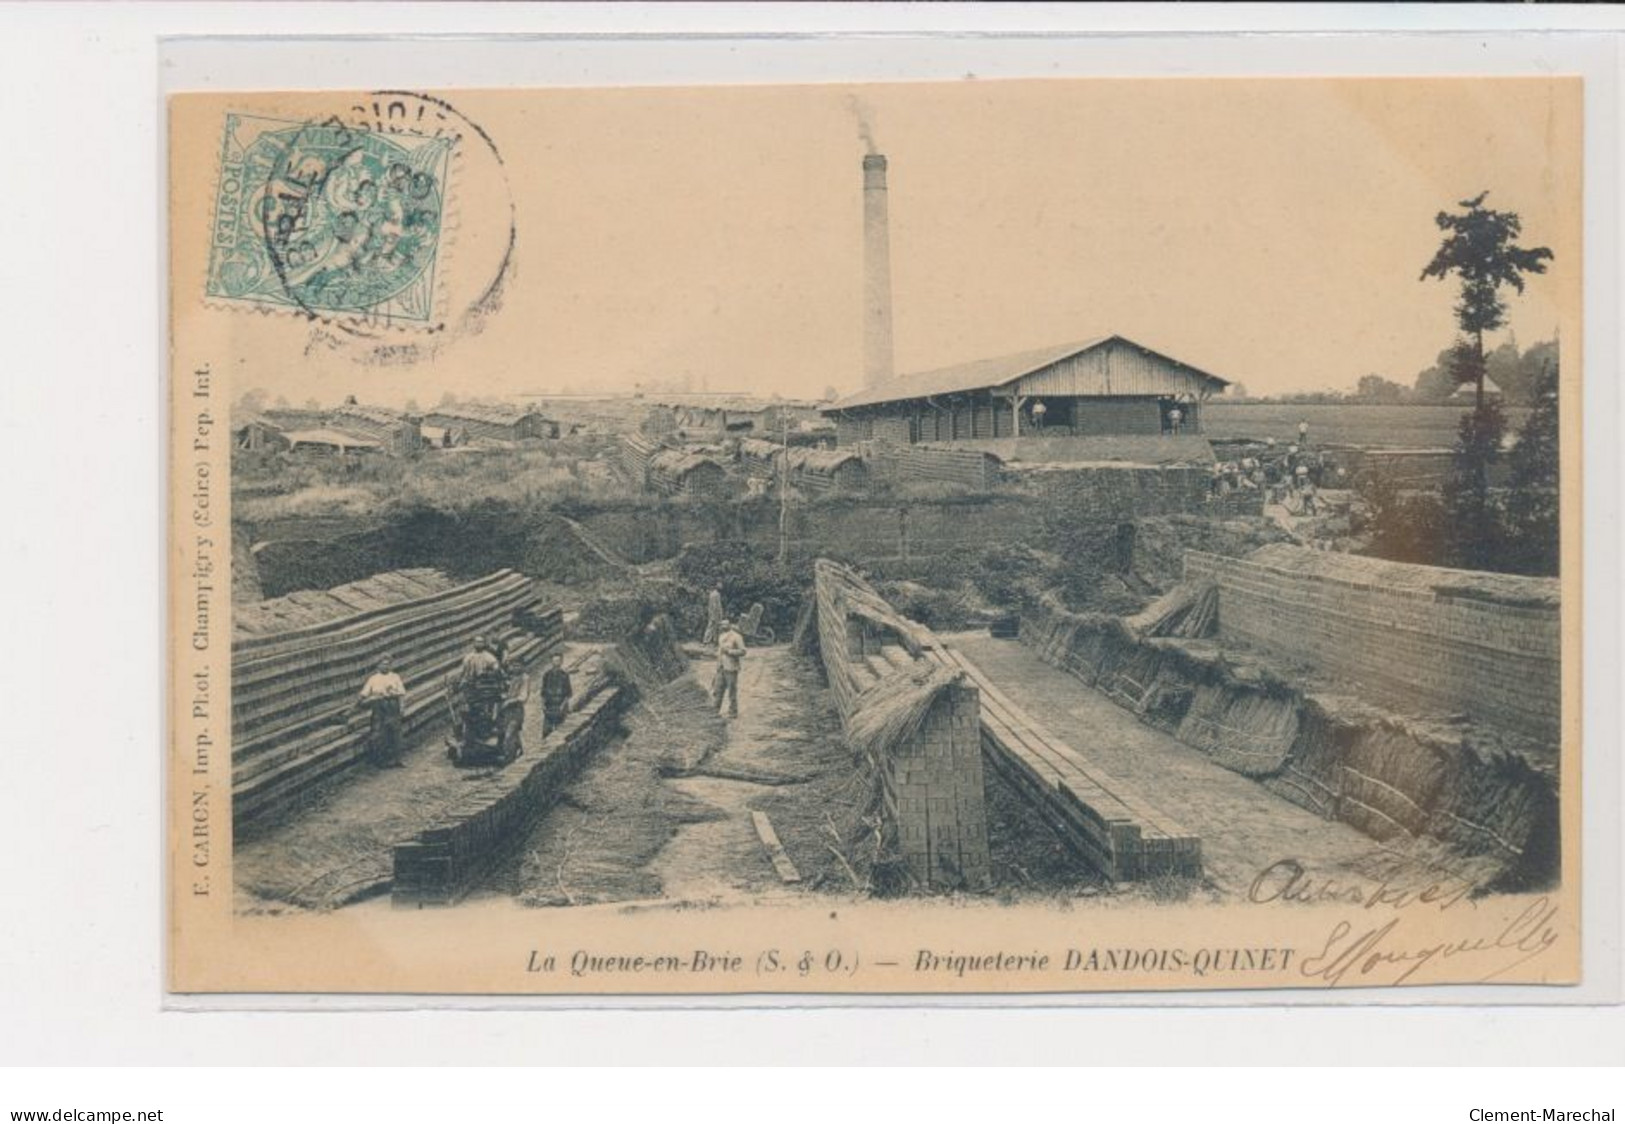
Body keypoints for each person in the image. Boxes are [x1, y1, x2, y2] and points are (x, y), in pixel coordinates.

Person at [357, 655, 407, 767]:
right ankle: (382, 760)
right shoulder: (373, 679)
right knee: (380, 733)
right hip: (379, 707)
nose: (386, 666)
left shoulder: (395, 677)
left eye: (388, 664)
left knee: (396, 732)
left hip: (393, 705)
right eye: (383, 664)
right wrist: (359, 701)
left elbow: (401, 694)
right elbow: (364, 693)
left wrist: (402, 707)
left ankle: (398, 759)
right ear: (378, 665)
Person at [712, 618, 747, 719]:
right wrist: (718, 664)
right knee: (718, 689)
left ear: (730, 625)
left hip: (731, 668)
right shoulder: (721, 636)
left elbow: (743, 651)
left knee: (732, 690)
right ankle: (715, 711)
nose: (723, 627)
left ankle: (733, 712)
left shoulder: (736, 637)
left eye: (725, 625)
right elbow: (719, 652)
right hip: (721, 667)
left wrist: (730, 652)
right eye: (721, 625)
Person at [540, 654, 573, 738]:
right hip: (549, 705)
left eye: (558, 661)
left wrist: (563, 706)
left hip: (560, 705)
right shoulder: (547, 675)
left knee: (560, 729)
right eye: (554, 661)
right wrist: (543, 704)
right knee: (546, 731)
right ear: (551, 662)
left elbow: (568, 694)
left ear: (561, 662)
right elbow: (543, 692)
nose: (556, 663)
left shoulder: (564, 675)